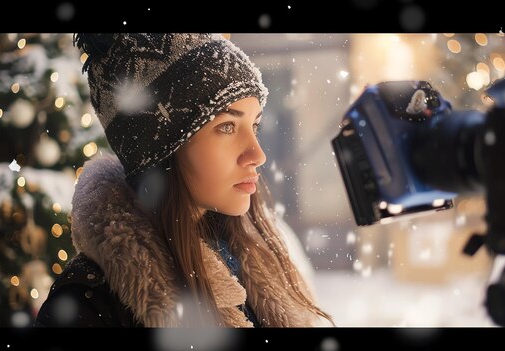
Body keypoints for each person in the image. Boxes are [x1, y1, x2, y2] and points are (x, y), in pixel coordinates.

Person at [34, 33, 334, 327]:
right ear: (161, 149)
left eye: (254, 125)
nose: (257, 154)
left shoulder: (253, 261)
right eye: (227, 126)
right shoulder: (89, 304)